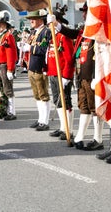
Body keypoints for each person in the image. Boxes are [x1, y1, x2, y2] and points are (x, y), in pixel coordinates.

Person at [50, 3, 104, 151]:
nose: (84, 15)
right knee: (84, 106)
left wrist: (95, 76)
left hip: (91, 76)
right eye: (84, 12)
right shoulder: (83, 31)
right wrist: (55, 24)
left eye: (87, 12)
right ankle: (80, 136)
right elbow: (71, 33)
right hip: (81, 76)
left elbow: (101, 56)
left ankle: (98, 139)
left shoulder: (99, 32)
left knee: (95, 108)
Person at [46, 9, 75, 142]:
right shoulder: (53, 36)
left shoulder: (64, 36)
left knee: (66, 102)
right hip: (53, 72)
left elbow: (69, 59)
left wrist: (67, 77)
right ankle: (63, 127)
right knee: (57, 100)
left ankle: (69, 129)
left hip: (62, 74)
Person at [25, 10, 51, 131]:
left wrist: (30, 48)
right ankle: (40, 119)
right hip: (32, 66)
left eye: (33, 19)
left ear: (40, 20)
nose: (31, 21)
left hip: (40, 67)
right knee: (37, 95)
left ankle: (45, 121)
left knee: (43, 95)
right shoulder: (34, 32)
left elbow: (44, 49)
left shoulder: (46, 31)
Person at [0, 11, 18, 120]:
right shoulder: (2, 36)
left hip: (5, 65)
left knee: (8, 89)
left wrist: (10, 69)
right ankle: (7, 110)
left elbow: (11, 54)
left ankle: (12, 112)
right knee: (4, 88)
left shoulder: (8, 36)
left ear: (4, 25)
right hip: (0, 64)